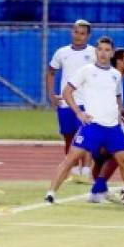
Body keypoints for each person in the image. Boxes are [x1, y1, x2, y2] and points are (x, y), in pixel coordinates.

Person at [44, 36, 124, 204]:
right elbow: (66, 92)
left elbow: (117, 98)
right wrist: (79, 113)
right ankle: (51, 193)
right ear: (96, 51)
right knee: (71, 158)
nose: (103, 53)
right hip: (92, 126)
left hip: (112, 128)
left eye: (107, 50)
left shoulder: (115, 75)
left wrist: (119, 114)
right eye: (100, 49)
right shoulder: (86, 71)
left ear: (112, 53)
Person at [47, 19, 95, 181]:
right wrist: (51, 94)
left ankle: (87, 170)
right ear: (71, 32)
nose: (78, 36)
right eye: (76, 32)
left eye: (82, 33)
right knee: (69, 136)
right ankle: (73, 170)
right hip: (66, 103)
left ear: (88, 36)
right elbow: (51, 72)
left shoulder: (94, 53)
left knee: (86, 136)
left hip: (86, 103)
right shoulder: (62, 52)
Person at [88, 47, 124, 202]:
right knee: (117, 154)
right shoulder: (112, 75)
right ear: (119, 62)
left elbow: (115, 101)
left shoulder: (115, 77)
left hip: (103, 120)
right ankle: (98, 189)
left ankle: (98, 190)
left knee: (102, 158)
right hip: (103, 122)